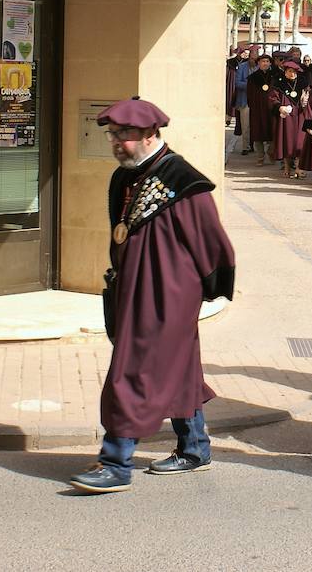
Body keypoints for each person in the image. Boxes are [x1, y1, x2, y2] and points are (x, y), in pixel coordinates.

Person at [71, 98, 236, 494]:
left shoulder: (183, 181)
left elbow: (212, 243)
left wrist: (203, 295)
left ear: (150, 134)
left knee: (134, 372)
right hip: (134, 289)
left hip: (168, 297)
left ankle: (116, 462)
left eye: (123, 136)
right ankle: (195, 448)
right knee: (177, 368)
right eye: (112, 135)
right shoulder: (124, 177)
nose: (116, 143)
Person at [270, 61, 309, 179]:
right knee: (287, 140)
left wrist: (305, 101)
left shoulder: (303, 83)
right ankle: (287, 166)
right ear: (285, 72)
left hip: (300, 114)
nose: (292, 74)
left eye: (294, 72)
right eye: (289, 71)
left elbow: (308, 97)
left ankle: (298, 167)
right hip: (286, 116)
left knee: (299, 141)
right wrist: (279, 106)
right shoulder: (279, 83)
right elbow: (273, 98)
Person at [245, 53, 276, 165]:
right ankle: (260, 156)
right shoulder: (253, 78)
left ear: (270, 63)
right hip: (257, 109)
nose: (265, 63)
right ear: (258, 63)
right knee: (258, 133)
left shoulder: (274, 76)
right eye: (263, 61)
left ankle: (271, 152)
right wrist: (253, 106)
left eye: (267, 61)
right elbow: (249, 94)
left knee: (273, 131)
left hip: (271, 109)